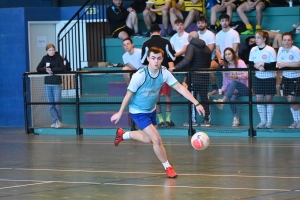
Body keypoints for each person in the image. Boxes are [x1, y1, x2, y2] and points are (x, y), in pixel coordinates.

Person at [111, 46, 205, 178]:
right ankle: (168, 167)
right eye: (153, 58)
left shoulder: (164, 73)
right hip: (138, 111)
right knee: (157, 139)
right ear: (148, 59)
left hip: (151, 110)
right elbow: (128, 94)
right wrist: (120, 112)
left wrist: (197, 103)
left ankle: (123, 134)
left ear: (162, 60)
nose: (156, 61)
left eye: (159, 58)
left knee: (148, 139)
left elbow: (180, 88)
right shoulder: (140, 75)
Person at [170, 31, 212, 126]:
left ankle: (193, 120)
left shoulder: (191, 46)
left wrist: (175, 68)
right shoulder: (207, 49)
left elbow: (187, 60)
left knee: (192, 99)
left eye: (188, 37)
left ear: (190, 38)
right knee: (204, 98)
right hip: (205, 77)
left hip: (193, 78)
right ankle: (206, 120)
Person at [141, 23, 176, 127]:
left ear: (150, 32)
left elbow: (143, 60)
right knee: (167, 96)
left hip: (151, 74)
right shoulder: (166, 42)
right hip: (164, 72)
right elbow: (173, 58)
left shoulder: (146, 43)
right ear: (160, 31)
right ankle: (169, 120)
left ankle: (160, 121)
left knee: (156, 98)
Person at [213, 47, 249, 127]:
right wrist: (222, 90)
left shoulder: (240, 62)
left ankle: (223, 100)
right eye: (225, 55)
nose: (227, 56)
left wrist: (237, 77)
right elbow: (225, 83)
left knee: (234, 81)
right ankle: (236, 118)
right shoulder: (224, 68)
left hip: (244, 89)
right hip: (233, 91)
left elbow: (246, 74)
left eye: (229, 54)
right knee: (232, 98)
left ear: (233, 54)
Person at [249, 31, 276, 129]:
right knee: (259, 99)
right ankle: (262, 121)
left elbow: (273, 65)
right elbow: (251, 63)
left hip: (269, 78)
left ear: (264, 39)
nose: (256, 40)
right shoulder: (253, 50)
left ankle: (269, 122)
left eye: (259, 38)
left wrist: (263, 64)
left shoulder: (270, 50)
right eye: (256, 38)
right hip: (258, 78)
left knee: (269, 99)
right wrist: (257, 66)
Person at [36, 44, 65, 128]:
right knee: (50, 104)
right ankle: (56, 121)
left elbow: (62, 68)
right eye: (49, 50)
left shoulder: (59, 58)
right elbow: (38, 68)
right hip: (48, 84)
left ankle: (59, 121)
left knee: (57, 103)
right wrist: (46, 70)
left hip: (57, 83)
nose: (51, 51)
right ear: (46, 51)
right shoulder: (44, 58)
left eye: (53, 50)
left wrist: (52, 70)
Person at [276, 33, 300, 128]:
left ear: (292, 41)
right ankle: (296, 121)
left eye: (289, 40)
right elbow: (278, 63)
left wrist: (286, 64)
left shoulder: (295, 50)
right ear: (282, 41)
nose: (287, 42)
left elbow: (298, 63)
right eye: (285, 40)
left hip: (295, 77)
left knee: (292, 100)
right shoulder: (281, 50)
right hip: (285, 78)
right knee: (289, 100)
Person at [197, 15, 219, 95]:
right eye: (199, 23)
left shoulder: (210, 34)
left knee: (207, 68)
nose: (200, 24)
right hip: (199, 59)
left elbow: (209, 50)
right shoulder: (196, 34)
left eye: (202, 23)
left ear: (206, 24)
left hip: (212, 59)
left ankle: (215, 88)